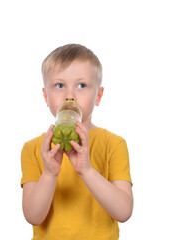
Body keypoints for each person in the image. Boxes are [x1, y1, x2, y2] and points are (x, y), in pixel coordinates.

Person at [20, 43, 133, 239]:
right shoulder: (33, 149)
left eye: (81, 85)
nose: (69, 95)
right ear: (46, 96)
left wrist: (87, 170)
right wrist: (49, 174)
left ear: (98, 95)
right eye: (59, 85)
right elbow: (32, 216)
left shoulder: (113, 144)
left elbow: (123, 212)